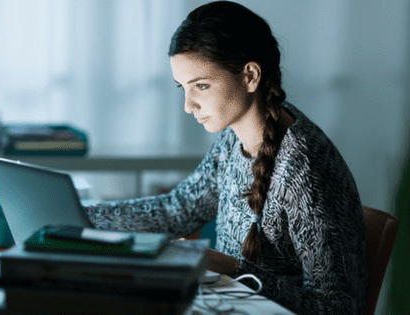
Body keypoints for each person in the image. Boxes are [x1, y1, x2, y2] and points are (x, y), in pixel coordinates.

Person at [84, 1, 368, 314]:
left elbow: (339, 309)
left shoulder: (305, 170)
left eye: (201, 86)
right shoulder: (235, 138)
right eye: (183, 88)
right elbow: (179, 209)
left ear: (250, 76)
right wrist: (83, 216)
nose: (188, 105)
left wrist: (234, 269)